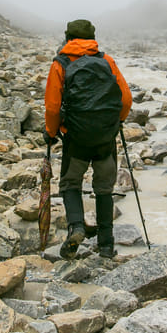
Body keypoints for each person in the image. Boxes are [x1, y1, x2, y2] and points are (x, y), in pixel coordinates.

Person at [44, 19, 132, 259]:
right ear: (93, 39)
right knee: (104, 189)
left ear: (68, 38)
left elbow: (52, 108)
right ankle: (106, 245)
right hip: (105, 138)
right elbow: (126, 100)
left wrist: (51, 133)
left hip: (76, 139)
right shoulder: (106, 61)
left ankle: (77, 228)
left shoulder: (60, 63)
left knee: (70, 184)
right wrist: (117, 122)